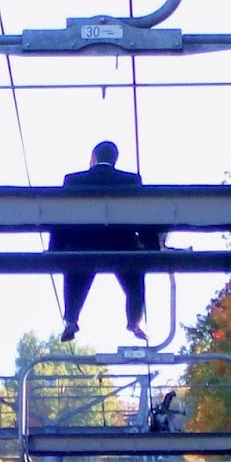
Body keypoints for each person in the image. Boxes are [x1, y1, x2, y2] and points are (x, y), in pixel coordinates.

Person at [50, 139, 159, 342]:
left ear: (93, 158)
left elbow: (61, 216)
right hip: (121, 243)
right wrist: (152, 248)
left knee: (74, 275)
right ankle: (134, 320)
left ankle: (72, 319)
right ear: (115, 159)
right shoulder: (131, 181)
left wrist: (56, 250)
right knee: (135, 278)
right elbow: (144, 215)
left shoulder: (73, 181)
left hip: (82, 244)